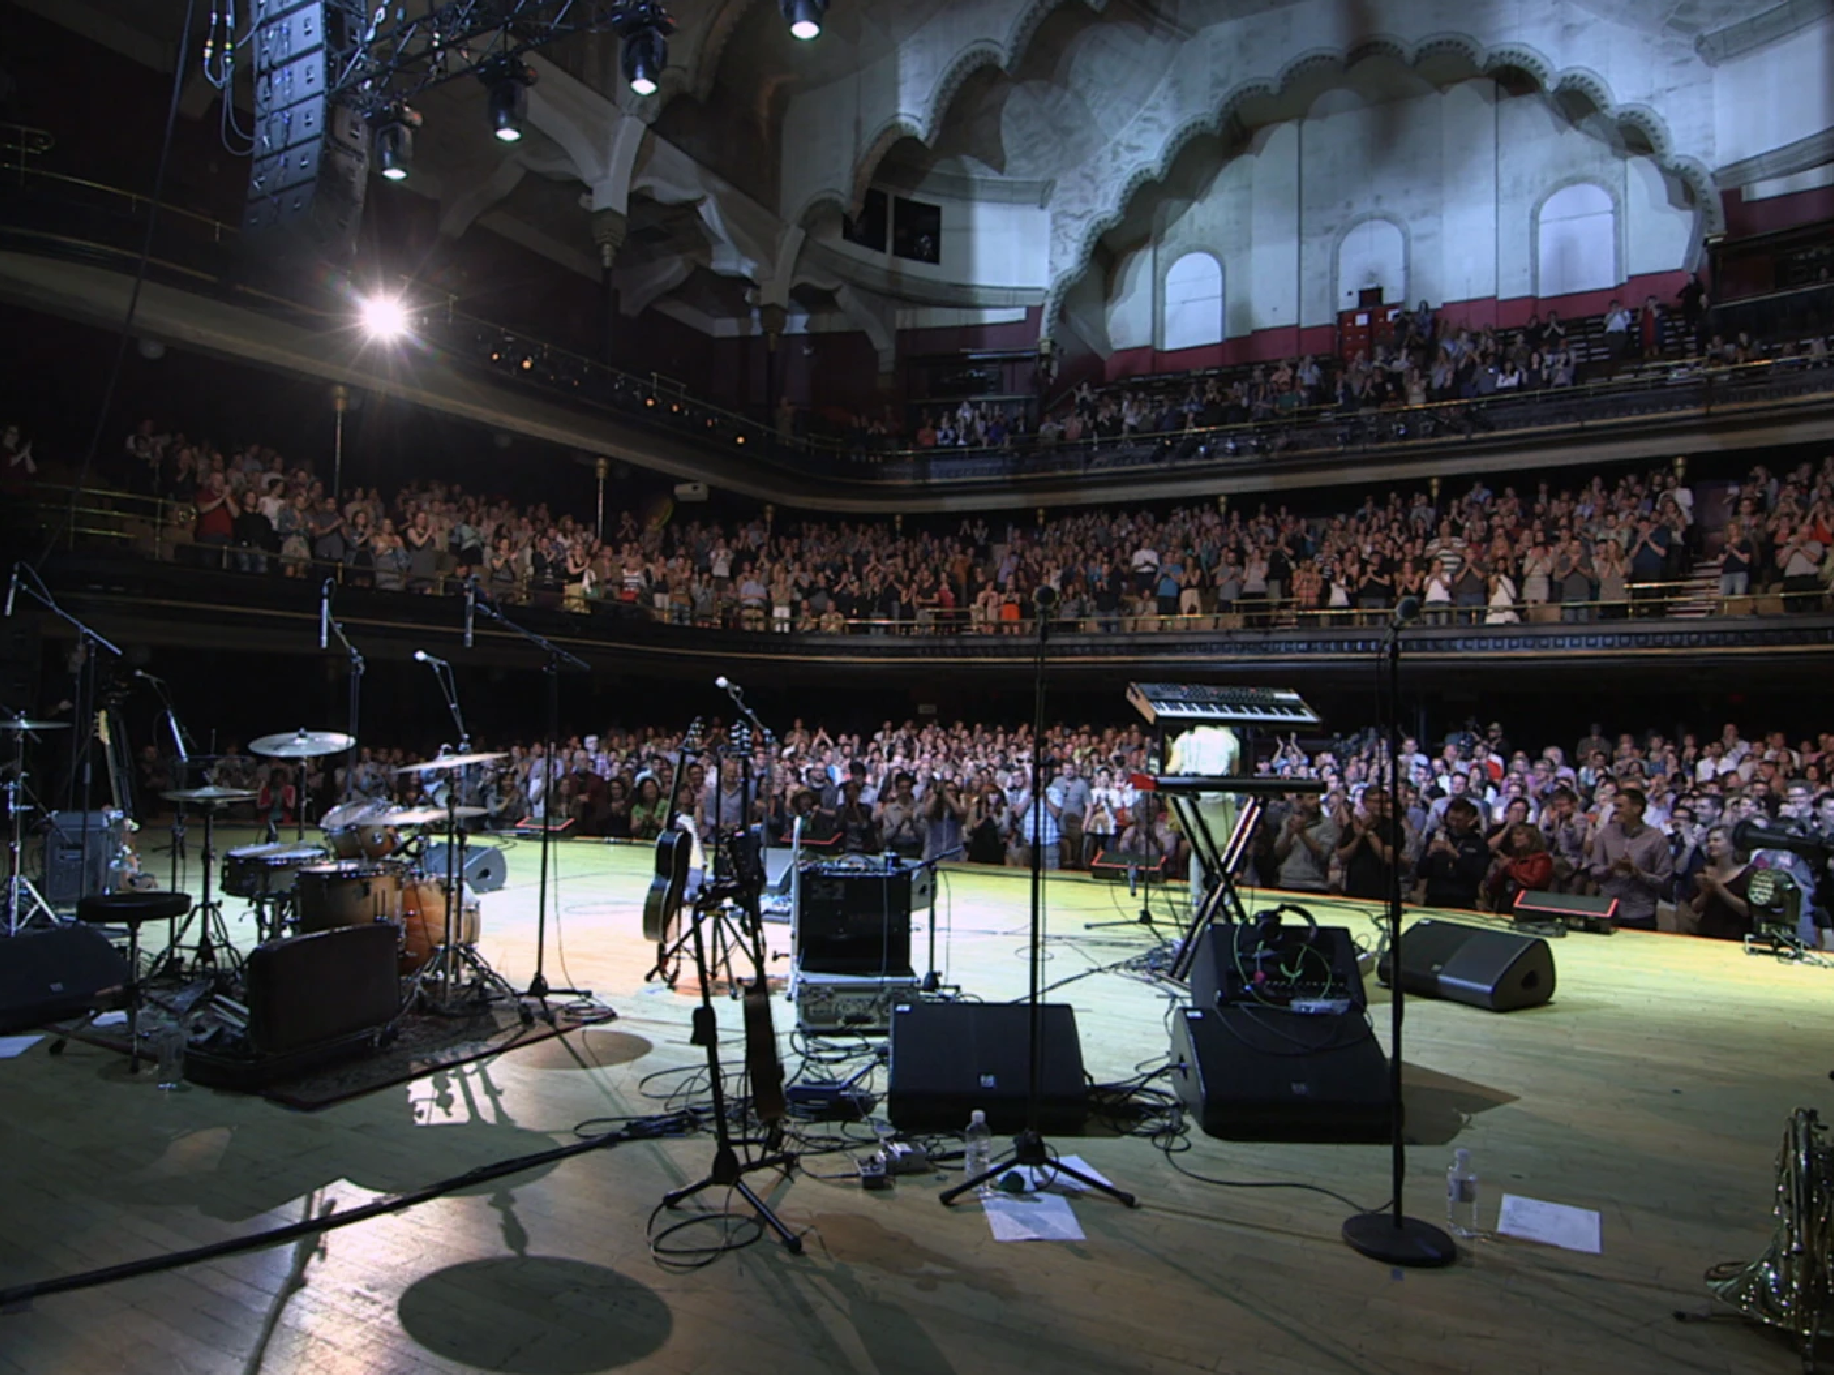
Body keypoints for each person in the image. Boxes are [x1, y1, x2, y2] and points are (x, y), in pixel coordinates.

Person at [1589, 786, 1674, 930]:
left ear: (1637, 809)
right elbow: (1594, 870)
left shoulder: (1656, 839)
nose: (1616, 810)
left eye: (1620, 806)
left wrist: (1637, 873)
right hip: (1608, 908)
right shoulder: (1606, 834)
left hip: (1640, 911)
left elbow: (1664, 880)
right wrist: (1611, 868)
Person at [1416, 797, 1489, 909]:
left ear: (1470, 819)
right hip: (1435, 898)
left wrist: (1455, 855)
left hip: (1463, 900)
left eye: (1459, 820)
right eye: (1451, 819)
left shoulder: (1478, 843)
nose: (1454, 824)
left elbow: (1478, 874)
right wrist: (1429, 854)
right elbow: (1421, 871)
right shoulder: (1437, 837)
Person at [1687, 825, 1753, 941]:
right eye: (1709, 841)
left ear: (1732, 844)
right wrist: (1705, 892)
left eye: (1716, 840)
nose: (1711, 844)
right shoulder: (1703, 870)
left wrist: (1718, 887)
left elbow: (1746, 910)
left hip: (1736, 935)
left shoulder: (1748, 873)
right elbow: (1695, 908)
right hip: (1707, 933)